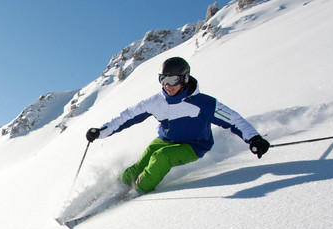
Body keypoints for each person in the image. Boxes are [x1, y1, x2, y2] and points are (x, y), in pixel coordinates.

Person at [85, 56, 270, 194]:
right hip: (165, 140)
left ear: (184, 78)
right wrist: (101, 132)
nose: (168, 86)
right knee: (140, 164)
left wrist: (254, 138)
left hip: (194, 145)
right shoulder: (156, 102)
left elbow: (234, 120)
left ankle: (139, 191)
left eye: (172, 80)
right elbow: (127, 117)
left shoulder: (203, 103)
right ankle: (117, 187)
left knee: (161, 157)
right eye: (163, 80)